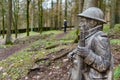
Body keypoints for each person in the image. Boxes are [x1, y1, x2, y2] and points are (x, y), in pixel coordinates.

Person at [68, 7, 113, 80]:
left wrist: (88, 54)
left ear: (93, 23)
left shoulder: (100, 38)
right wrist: (74, 52)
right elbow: (87, 48)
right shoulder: (88, 36)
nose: (80, 24)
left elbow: (104, 65)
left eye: (83, 21)